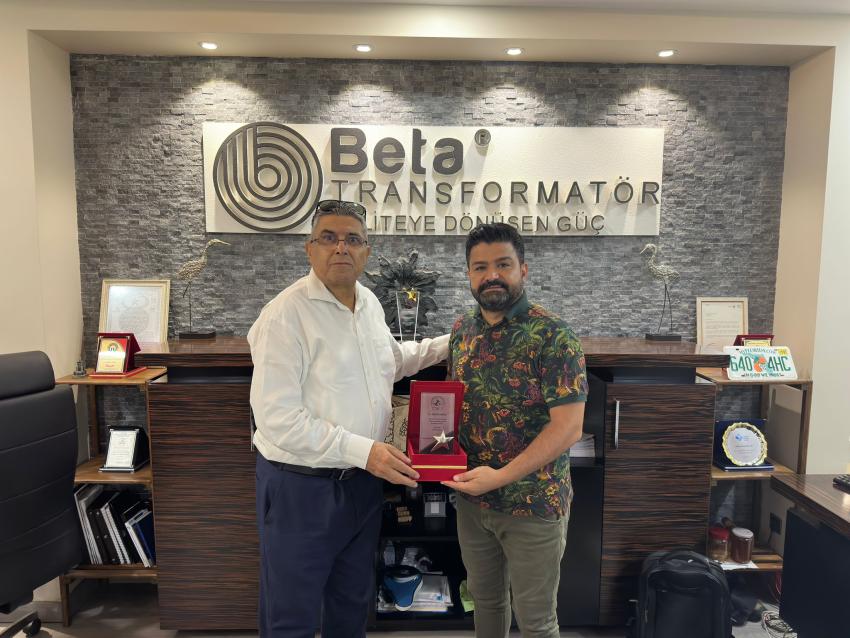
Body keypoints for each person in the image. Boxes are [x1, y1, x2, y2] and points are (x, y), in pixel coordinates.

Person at [248, 200, 449, 638]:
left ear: (366, 251)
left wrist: (450, 343)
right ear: (309, 248)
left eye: (352, 239)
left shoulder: (369, 303)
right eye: (329, 237)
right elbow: (277, 418)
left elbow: (392, 361)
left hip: (361, 486)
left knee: (352, 606)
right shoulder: (284, 316)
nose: (341, 247)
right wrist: (365, 451)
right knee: (290, 617)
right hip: (301, 488)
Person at [442, 222, 588, 638]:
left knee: (536, 621)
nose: (491, 275)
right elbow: (452, 407)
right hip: (472, 501)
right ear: (469, 275)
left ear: (523, 269)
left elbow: (569, 428)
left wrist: (500, 477)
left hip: (533, 505)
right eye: (480, 267)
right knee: (486, 604)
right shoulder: (462, 332)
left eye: (503, 264)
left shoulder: (554, 335)